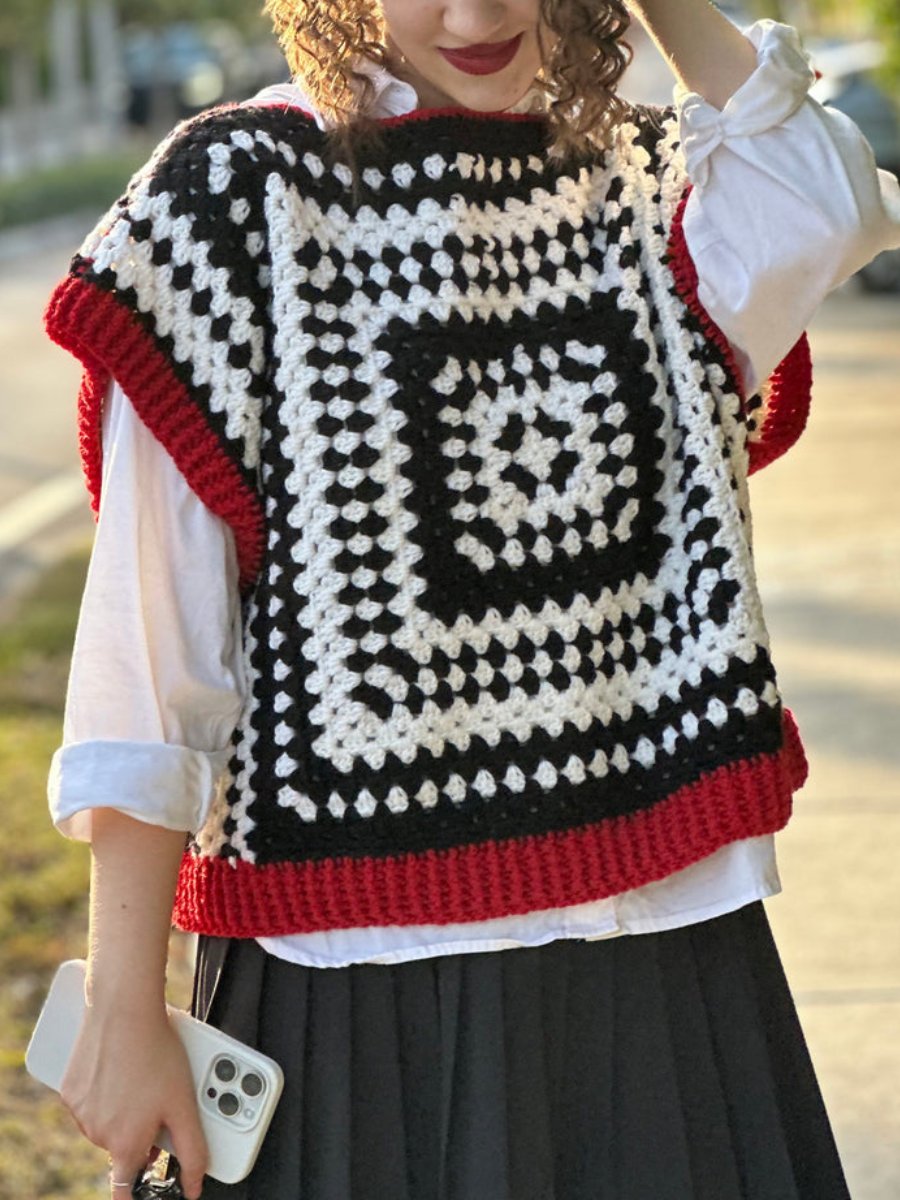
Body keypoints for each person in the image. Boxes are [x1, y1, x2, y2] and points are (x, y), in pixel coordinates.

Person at [43, 1, 900, 1198]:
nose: (479, 13)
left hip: (661, 954)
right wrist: (124, 1006)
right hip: (356, 983)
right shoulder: (237, 199)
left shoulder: (655, 189)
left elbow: (833, 203)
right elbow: (154, 655)